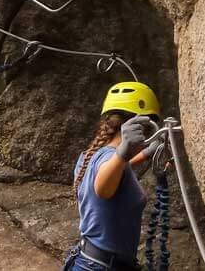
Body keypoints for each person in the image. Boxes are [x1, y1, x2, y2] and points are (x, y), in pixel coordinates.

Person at [63, 81, 164, 271]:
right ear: (141, 125)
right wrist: (123, 153)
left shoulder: (89, 156)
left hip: (89, 261)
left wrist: (144, 155)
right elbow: (102, 188)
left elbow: (115, 171)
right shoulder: (111, 160)